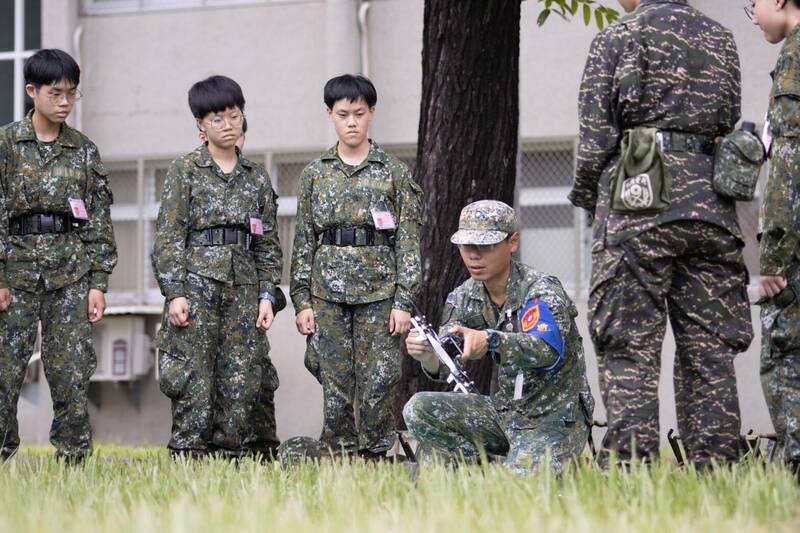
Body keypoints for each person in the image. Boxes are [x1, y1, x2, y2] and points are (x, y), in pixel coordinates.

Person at [570, 0, 753, 467]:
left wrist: (591, 199)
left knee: (629, 345)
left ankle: (631, 470)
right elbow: (729, 117)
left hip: (639, 195)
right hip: (712, 204)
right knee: (710, 350)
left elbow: (595, 138)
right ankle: (718, 469)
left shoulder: (619, 36)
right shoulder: (721, 38)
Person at [403, 200, 593, 475]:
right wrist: (429, 356)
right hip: (505, 413)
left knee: (516, 490)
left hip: (554, 417)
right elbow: (445, 362)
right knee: (419, 408)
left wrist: (491, 340)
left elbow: (547, 350)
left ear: (512, 242)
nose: (473, 255)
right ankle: (466, 474)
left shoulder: (540, 291)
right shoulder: (464, 296)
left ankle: (543, 465)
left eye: (486, 246)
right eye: (466, 246)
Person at [287, 74, 422, 459]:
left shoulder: (393, 172)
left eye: (359, 114)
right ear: (329, 114)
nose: (351, 122)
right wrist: (302, 301)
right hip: (327, 294)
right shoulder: (315, 174)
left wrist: (404, 301)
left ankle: (377, 455)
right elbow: (304, 240)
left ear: (371, 113)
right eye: (343, 114)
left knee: (380, 379)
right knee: (335, 380)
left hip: (380, 294)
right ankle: (340, 455)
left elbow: (408, 240)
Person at [152, 75, 284, 458]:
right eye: (217, 119)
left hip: (244, 294)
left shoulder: (256, 178)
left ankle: (229, 460)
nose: (228, 125)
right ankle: (189, 458)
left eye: (234, 115)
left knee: (241, 379)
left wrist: (267, 295)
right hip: (196, 291)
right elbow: (169, 236)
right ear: (200, 125)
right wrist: (174, 292)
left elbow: (268, 244)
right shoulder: (185, 170)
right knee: (193, 377)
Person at [0, 49, 117, 462]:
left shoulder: (84, 151)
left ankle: (73, 458)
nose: (65, 102)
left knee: (72, 371)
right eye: (55, 93)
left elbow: (98, 220)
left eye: (71, 93)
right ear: (32, 91)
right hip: (14, 272)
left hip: (70, 275)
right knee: (4, 369)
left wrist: (98, 282)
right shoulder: (6, 144)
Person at [750, 0, 800, 477]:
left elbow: (788, 165)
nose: (754, 14)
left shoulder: (795, 55)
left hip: (796, 250)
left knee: (785, 356)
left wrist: (774, 258)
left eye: (755, 3)